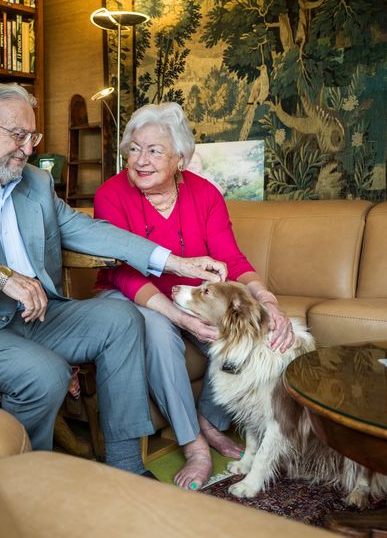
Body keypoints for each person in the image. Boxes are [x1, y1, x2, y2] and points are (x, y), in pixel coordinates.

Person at [0, 84, 228, 476]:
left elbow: (89, 232)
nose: (29, 147)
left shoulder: (35, 182)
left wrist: (176, 263)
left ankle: (126, 467)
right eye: (19, 135)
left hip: (38, 314)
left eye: (32, 136)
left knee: (123, 321)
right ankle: (24, 480)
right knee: (47, 373)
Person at [93, 102, 295, 489]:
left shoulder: (204, 194)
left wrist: (266, 301)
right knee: (156, 327)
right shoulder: (111, 195)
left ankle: (212, 422)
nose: (141, 160)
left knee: (243, 338)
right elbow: (123, 271)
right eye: (134, 149)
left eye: (155, 151)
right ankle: (195, 444)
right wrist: (179, 316)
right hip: (130, 295)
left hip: (192, 297)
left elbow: (231, 258)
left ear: (180, 158)